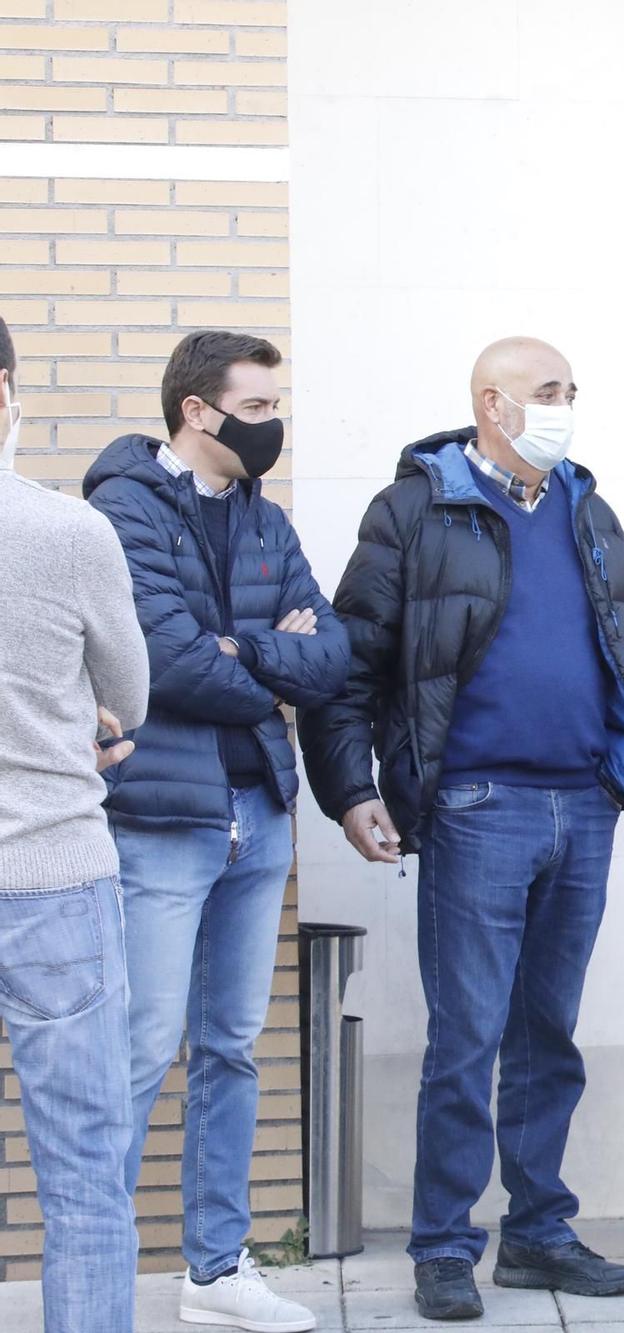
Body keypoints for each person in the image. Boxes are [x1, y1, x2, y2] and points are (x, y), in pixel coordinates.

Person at [299, 337, 624, 1321]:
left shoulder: (591, 509)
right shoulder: (414, 508)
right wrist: (349, 790)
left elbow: (618, 646)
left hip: (581, 805)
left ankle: (539, 1233)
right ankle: (443, 1243)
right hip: (476, 806)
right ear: (492, 405)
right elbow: (353, 664)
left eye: (573, 392)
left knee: (549, 1034)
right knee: (466, 1037)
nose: (566, 407)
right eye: (549, 392)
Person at [85, 330, 349, 1333]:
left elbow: (331, 653)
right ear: (196, 411)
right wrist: (258, 657)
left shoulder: (264, 519)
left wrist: (245, 651)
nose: (272, 422)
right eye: (255, 406)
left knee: (232, 1048)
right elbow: (162, 664)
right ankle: (96, 1267)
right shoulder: (123, 507)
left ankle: (216, 1268)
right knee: (143, 1044)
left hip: (259, 809)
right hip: (162, 815)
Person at [0, 316, 151, 1333]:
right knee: (85, 1177)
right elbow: (128, 695)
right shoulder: (66, 531)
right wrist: (79, 721)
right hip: (51, 870)